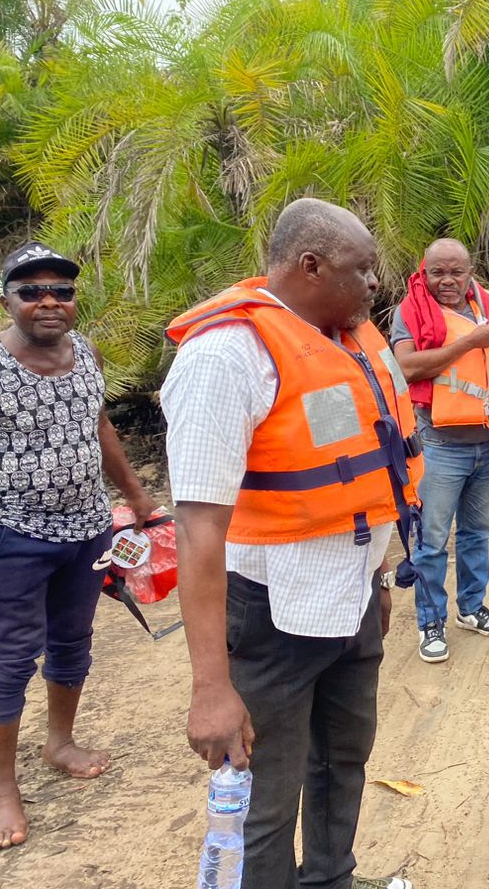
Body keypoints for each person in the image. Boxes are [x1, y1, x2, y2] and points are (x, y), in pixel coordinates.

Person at [162, 199, 419, 889]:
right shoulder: (225, 357)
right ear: (309, 265)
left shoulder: (348, 341)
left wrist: (380, 574)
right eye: (362, 271)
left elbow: (373, 464)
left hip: (354, 598)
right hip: (271, 612)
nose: (375, 285)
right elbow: (197, 529)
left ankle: (331, 880)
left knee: (342, 764)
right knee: (265, 804)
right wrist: (212, 687)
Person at [0, 243, 155, 852]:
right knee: (10, 657)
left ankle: (59, 741)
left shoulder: (84, 354)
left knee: (73, 641)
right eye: (31, 291)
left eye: (61, 290)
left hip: (88, 529)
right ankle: (1, 787)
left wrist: (136, 498)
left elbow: (100, 425)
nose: (49, 302)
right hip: (12, 533)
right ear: (7, 301)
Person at [390, 238, 489, 663]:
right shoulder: (410, 311)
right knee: (432, 540)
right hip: (440, 445)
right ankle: (431, 623)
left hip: (488, 440)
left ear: (470, 271)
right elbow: (404, 368)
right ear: (423, 271)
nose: (446, 281)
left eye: (455, 272)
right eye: (437, 272)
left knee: (478, 533)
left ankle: (471, 607)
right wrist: (471, 341)